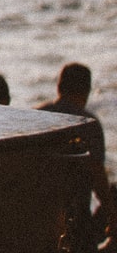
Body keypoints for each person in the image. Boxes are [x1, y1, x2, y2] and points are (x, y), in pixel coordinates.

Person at [38, 63, 112, 252]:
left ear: (59, 86)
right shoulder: (87, 124)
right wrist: (112, 210)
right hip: (76, 217)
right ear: (87, 90)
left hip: (38, 211)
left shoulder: (37, 115)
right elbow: (96, 174)